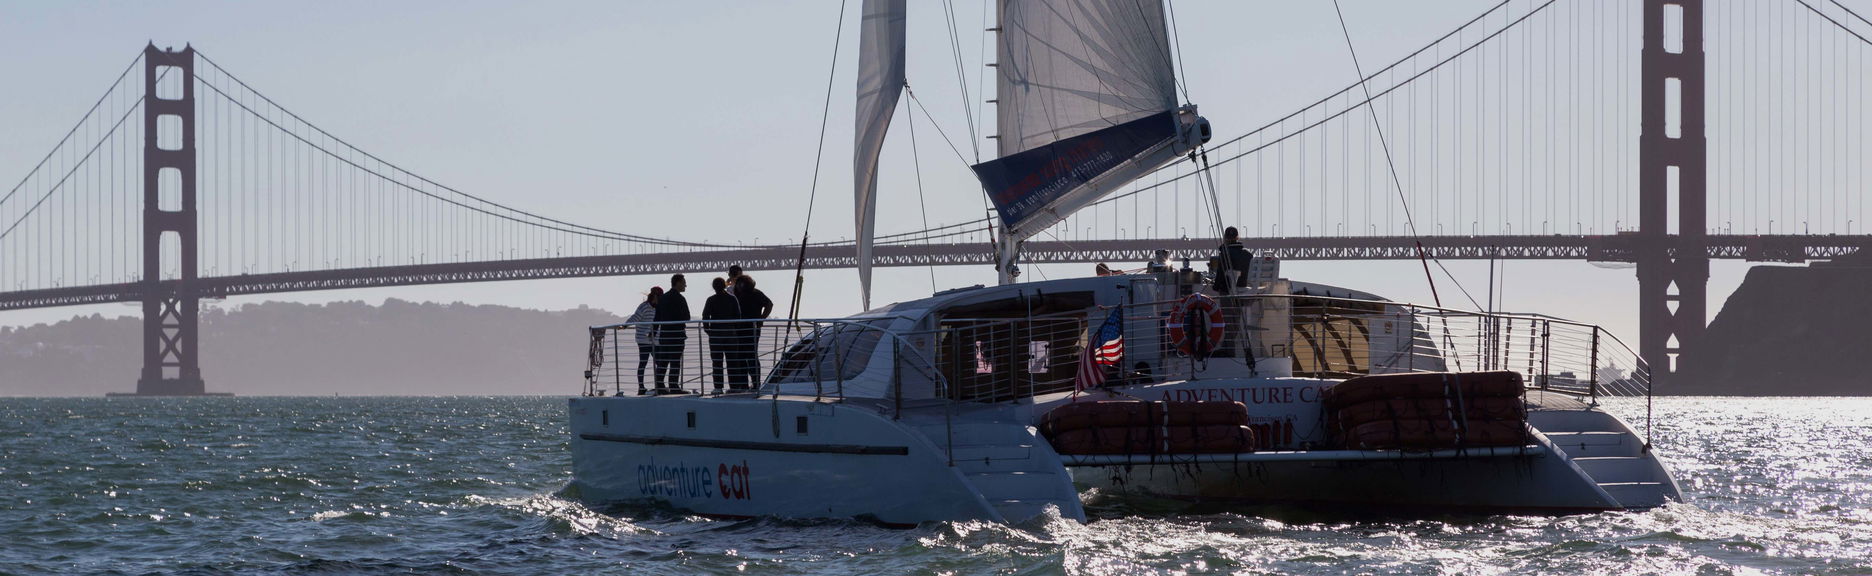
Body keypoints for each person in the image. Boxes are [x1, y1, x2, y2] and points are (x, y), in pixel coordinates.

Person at [730, 274, 774, 389]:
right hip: (740, 329)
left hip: (752, 328)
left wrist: (762, 319)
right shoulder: (737, 295)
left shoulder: (756, 293)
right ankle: (744, 384)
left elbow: (769, 304)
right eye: (738, 284)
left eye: (741, 283)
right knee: (741, 356)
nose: (739, 286)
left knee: (751, 355)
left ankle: (756, 383)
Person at [701, 277, 740, 393]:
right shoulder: (732, 299)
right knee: (733, 361)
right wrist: (734, 329)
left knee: (717, 362)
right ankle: (734, 387)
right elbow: (738, 316)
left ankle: (718, 387)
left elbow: (705, 316)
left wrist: (708, 331)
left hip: (715, 335)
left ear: (713, 287)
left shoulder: (711, 300)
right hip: (730, 334)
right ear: (724, 285)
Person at [653, 274, 691, 393]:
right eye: (684, 282)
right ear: (678, 283)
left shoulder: (663, 298)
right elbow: (687, 317)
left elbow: (657, 318)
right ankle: (674, 386)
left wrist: (653, 333)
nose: (685, 285)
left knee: (663, 362)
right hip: (677, 335)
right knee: (675, 362)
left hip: (664, 335)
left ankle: (659, 386)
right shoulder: (680, 299)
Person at [626, 287, 662, 395]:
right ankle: (641, 387)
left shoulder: (659, 308)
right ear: (655, 296)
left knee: (659, 363)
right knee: (643, 362)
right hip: (643, 339)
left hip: (655, 339)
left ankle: (659, 384)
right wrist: (625, 325)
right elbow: (635, 317)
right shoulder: (644, 306)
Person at [1211, 227, 1254, 295]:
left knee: (1221, 288)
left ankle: (1226, 306)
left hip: (1228, 290)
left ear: (1225, 238)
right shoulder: (1248, 254)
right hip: (1243, 286)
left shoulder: (1224, 254)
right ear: (1237, 237)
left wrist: (1215, 287)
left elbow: (1220, 274)